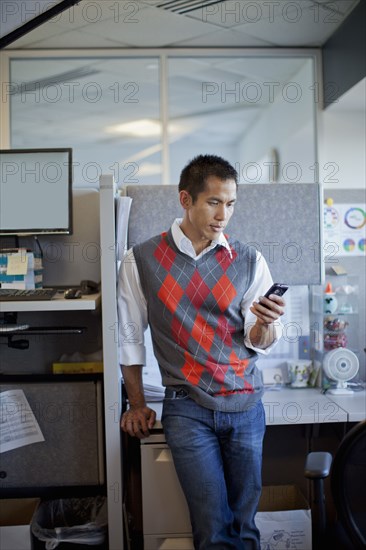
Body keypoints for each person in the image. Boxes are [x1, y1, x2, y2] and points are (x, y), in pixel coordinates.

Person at [118, 154, 286, 550]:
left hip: (246, 405)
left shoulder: (248, 259)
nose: (223, 214)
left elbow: (256, 339)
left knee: (245, 528)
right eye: (213, 202)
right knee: (211, 530)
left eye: (230, 204)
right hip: (187, 407)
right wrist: (137, 403)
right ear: (186, 200)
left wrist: (266, 323)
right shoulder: (141, 259)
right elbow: (129, 337)